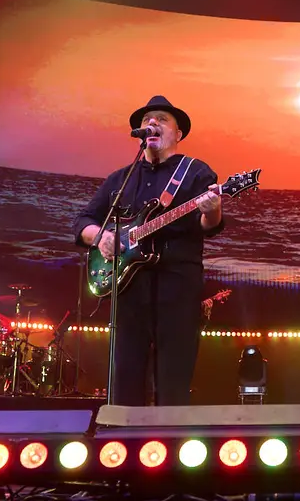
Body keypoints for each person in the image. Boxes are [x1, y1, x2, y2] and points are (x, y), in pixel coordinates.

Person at [71, 95, 224, 406]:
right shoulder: (121, 179)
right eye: (147, 120)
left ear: (178, 134)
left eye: (162, 119)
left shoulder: (195, 172)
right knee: (126, 373)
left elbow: (208, 225)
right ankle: (124, 444)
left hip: (177, 283)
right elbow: (83, 221)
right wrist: (101, 237)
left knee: (173, 375)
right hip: (128, 288)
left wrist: (214, 208)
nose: (152, 123)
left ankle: (173, 443)